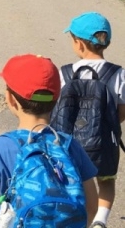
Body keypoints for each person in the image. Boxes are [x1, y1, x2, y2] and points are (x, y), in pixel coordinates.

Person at [0, 54, 98, 227]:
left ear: (10, 99)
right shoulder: (69, 144)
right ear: (56, 99)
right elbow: (91, 205)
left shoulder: (1, 146)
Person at [63, 12, 125, 228]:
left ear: (79, 44)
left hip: (71, 144)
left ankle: (77, 218)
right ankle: (100, 220)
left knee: (75, 182)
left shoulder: (66, 74)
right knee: (106, 182)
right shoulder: (118, 74)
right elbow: (121, 111)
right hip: (104, 143)